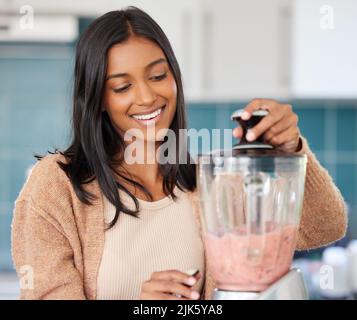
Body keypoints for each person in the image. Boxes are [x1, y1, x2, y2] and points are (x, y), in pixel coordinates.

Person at [11, 7, 347, 300]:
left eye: (158, 76)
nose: (146, 97)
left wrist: (293, 149)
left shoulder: (210, 182)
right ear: (99, 98)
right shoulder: (56, 186)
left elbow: (326, 227)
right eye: (123, 86)